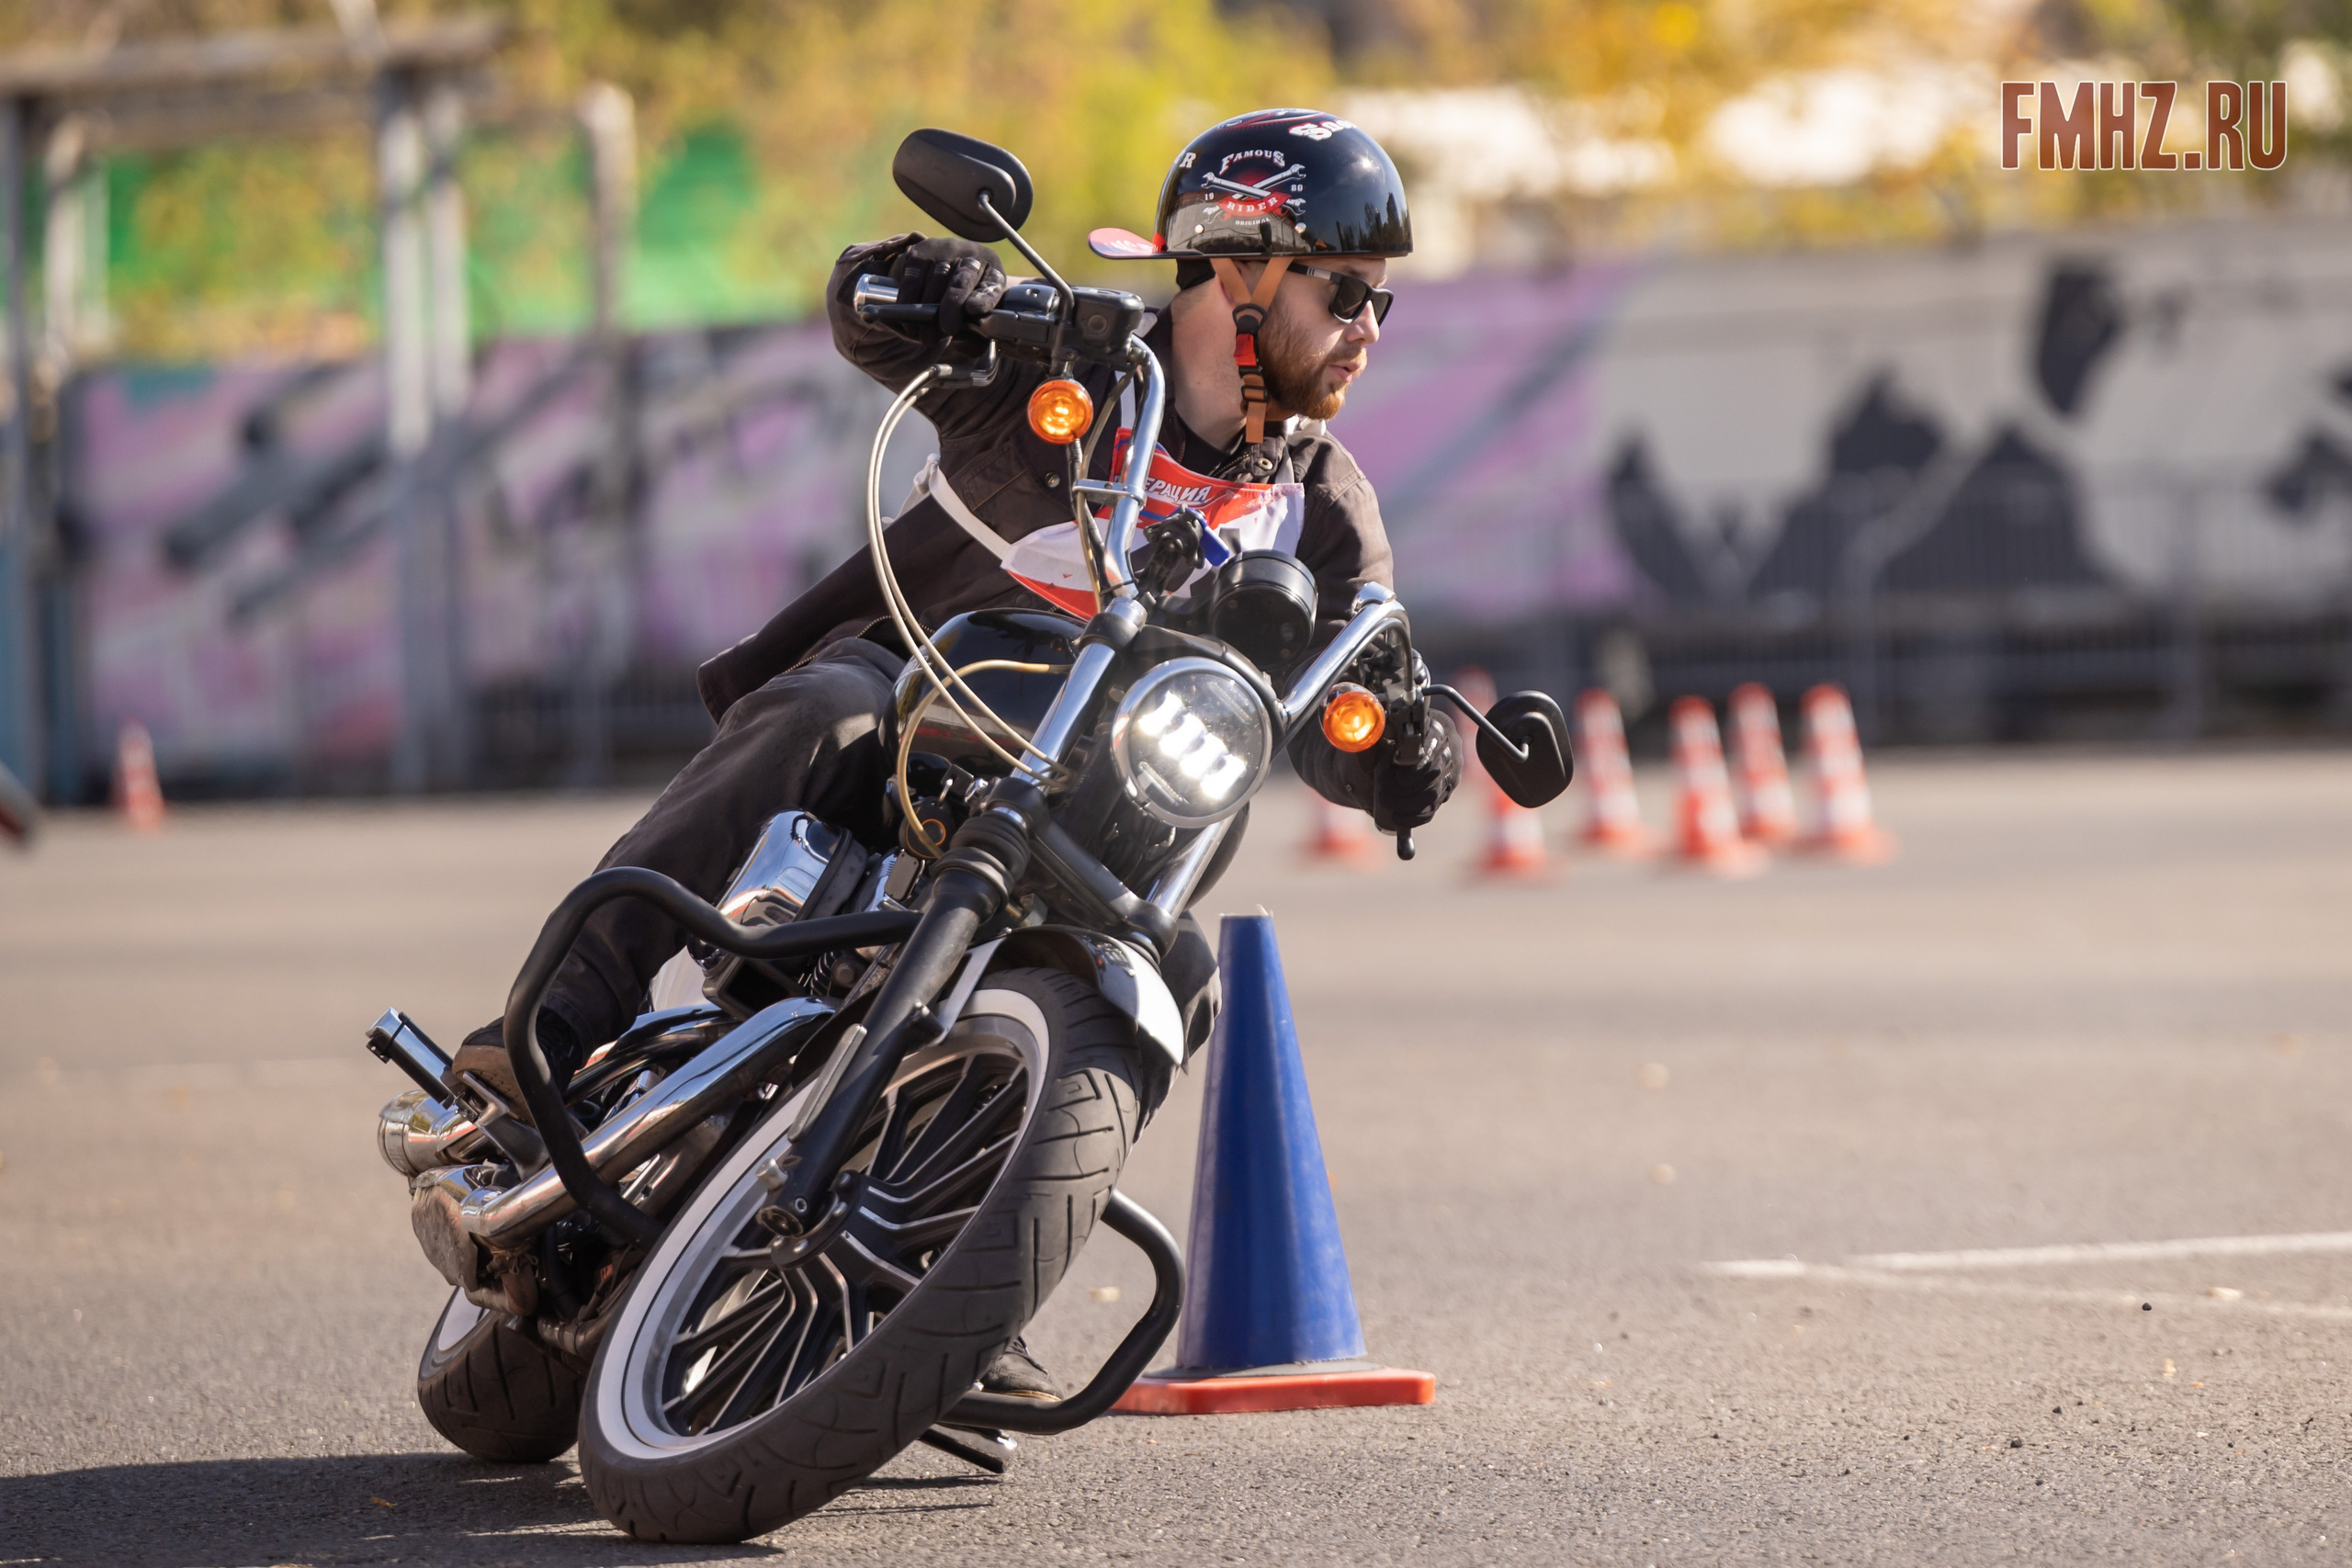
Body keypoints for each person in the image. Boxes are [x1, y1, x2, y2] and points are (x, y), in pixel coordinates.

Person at [450, 108, 1459, 1395]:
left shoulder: (1321, 504)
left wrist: (1406, 746)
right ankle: (557, 1032)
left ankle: (958, 1283)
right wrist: (935, 283)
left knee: (1182, 971)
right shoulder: (1084, 364)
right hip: (917, 713)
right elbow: (865, 313)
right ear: (1238, 266)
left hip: (1094, 815)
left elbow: (1359, 690)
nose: (1373, 329)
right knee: (823, 710)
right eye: (1352, 293)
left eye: (1385, 305)